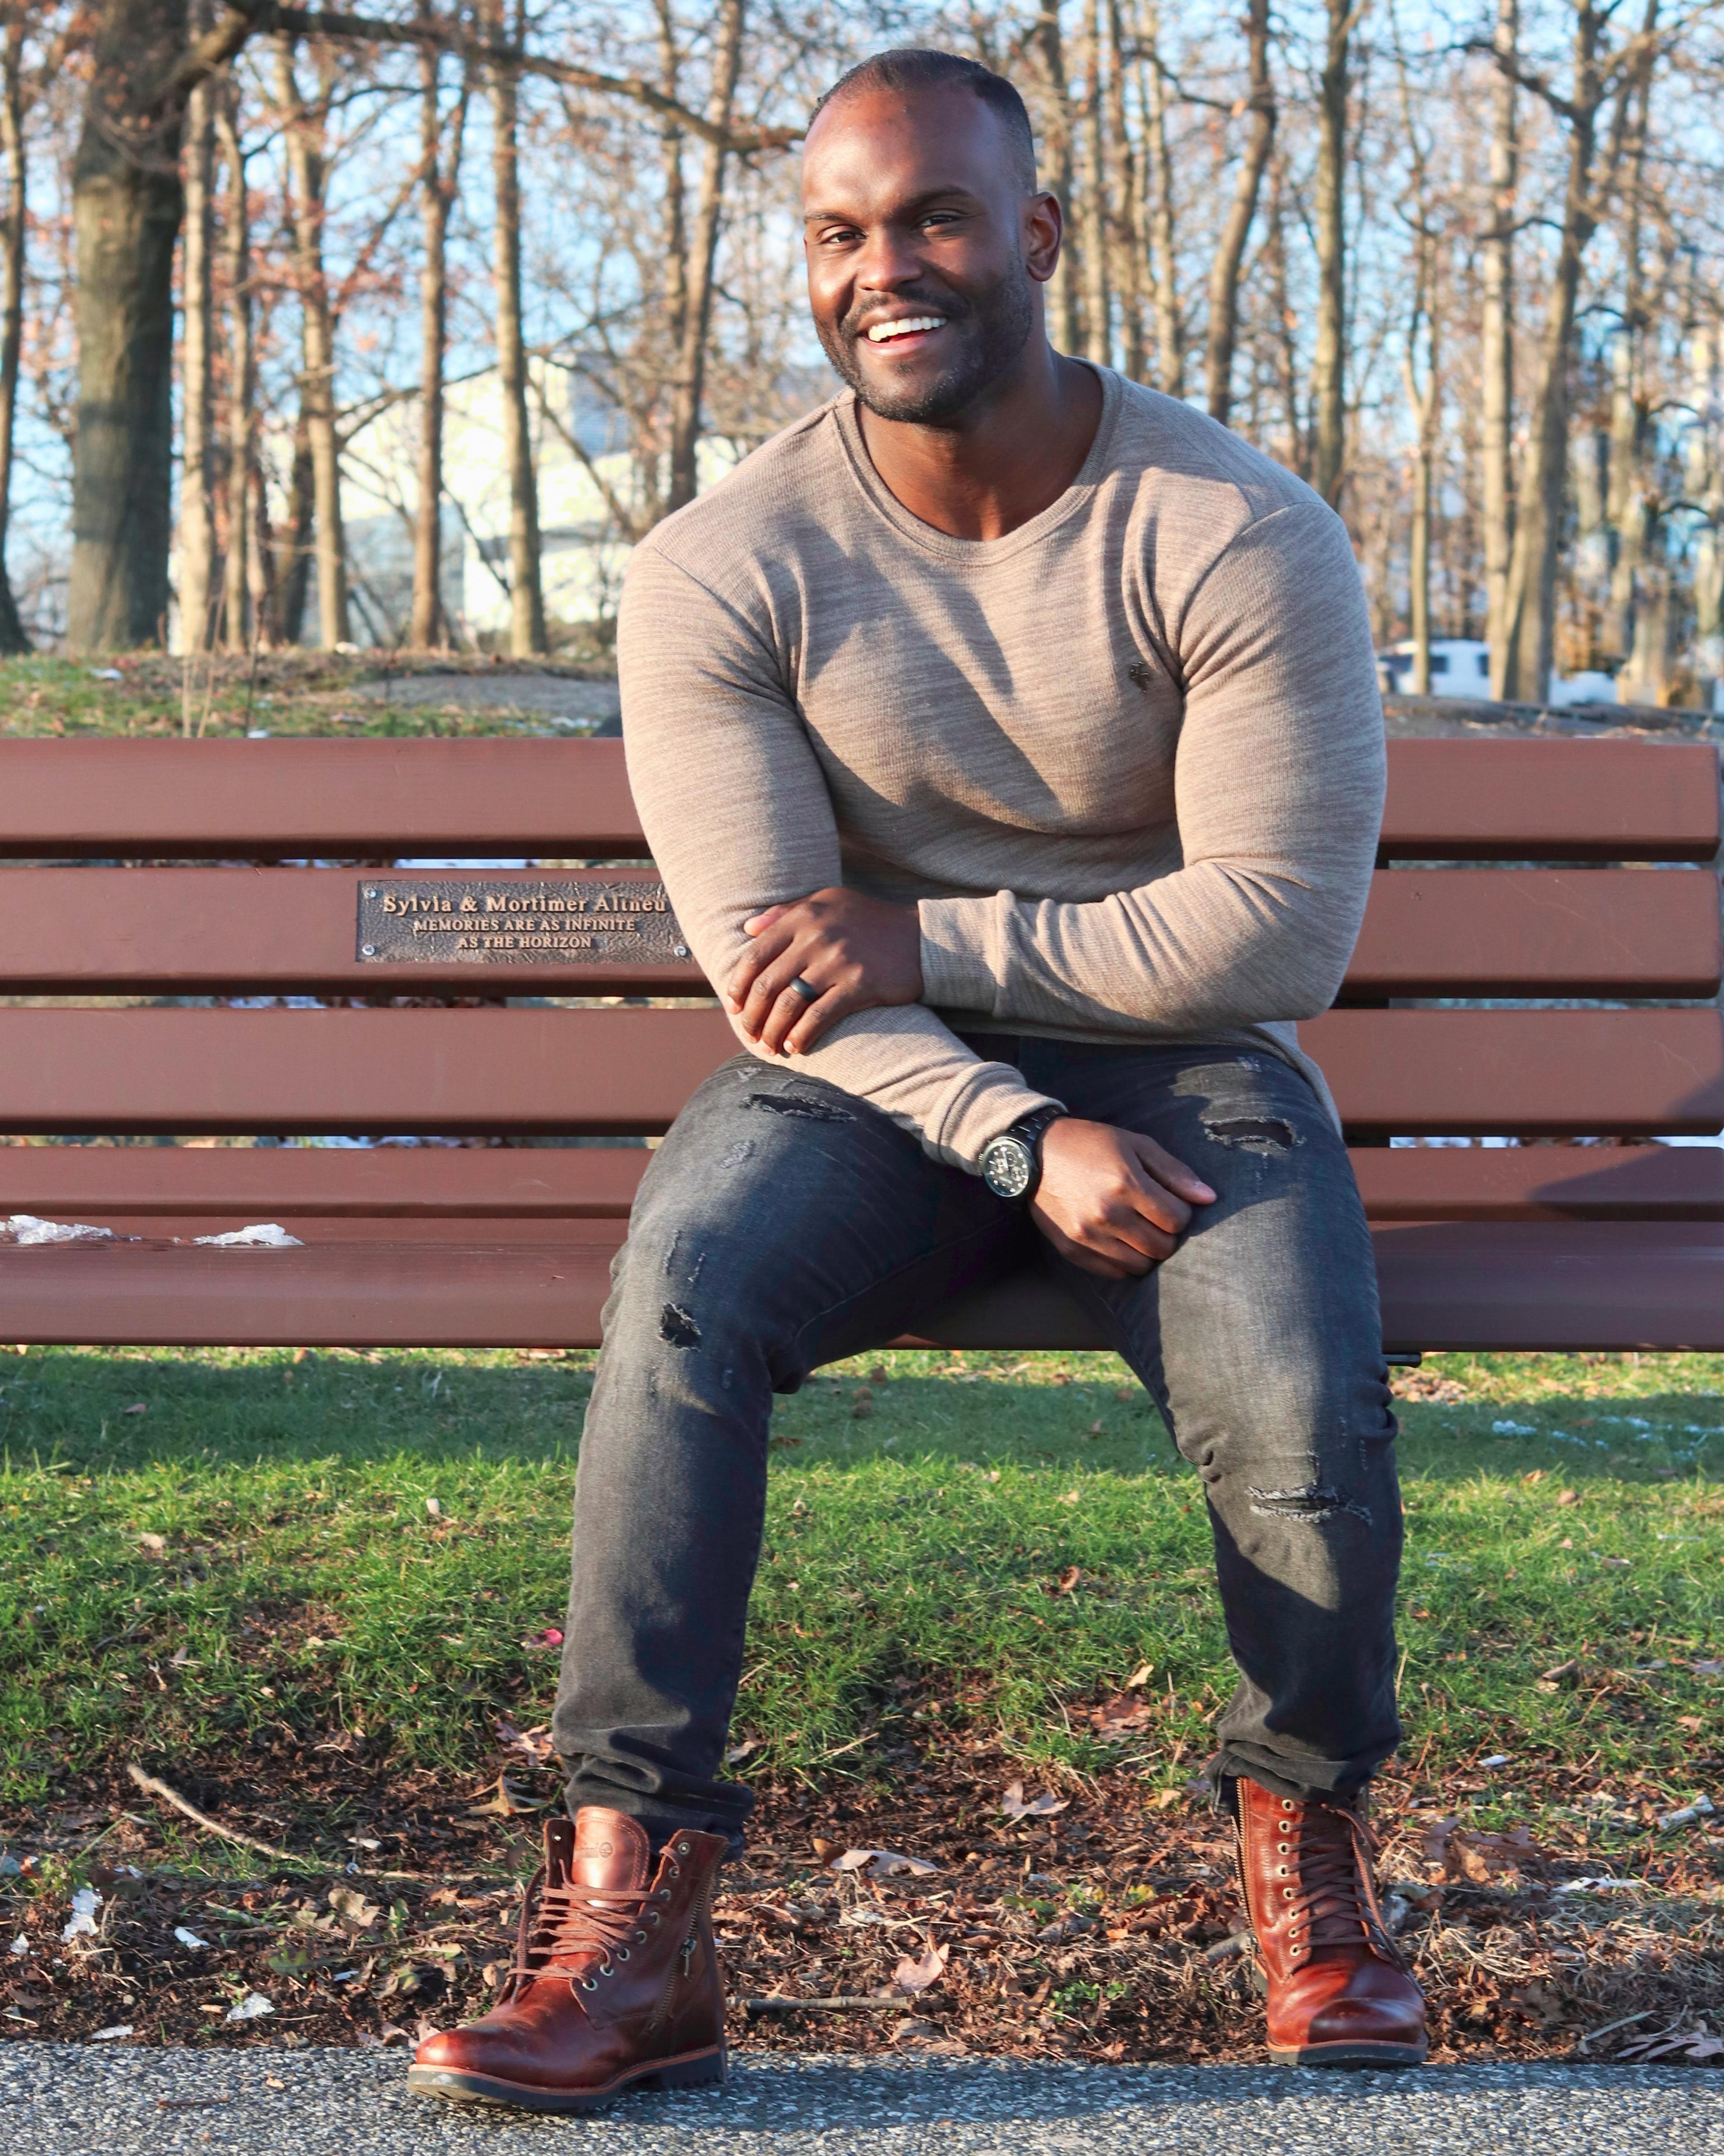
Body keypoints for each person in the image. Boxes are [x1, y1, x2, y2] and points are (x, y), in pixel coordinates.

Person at [410, 46, 1425, 2115]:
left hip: (1184, 1062)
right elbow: (779, 972)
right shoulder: (727, 560)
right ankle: (636, 1908)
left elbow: (1273, 932)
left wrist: (941, 935)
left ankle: (1307, 1847)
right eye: (843, 233)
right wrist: (1017, 1128)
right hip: (871, 1083)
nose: (892, 268)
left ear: (1038, 235)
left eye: (941, 217)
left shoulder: (1233, 527)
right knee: (687, 1281)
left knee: (1296, 1387)